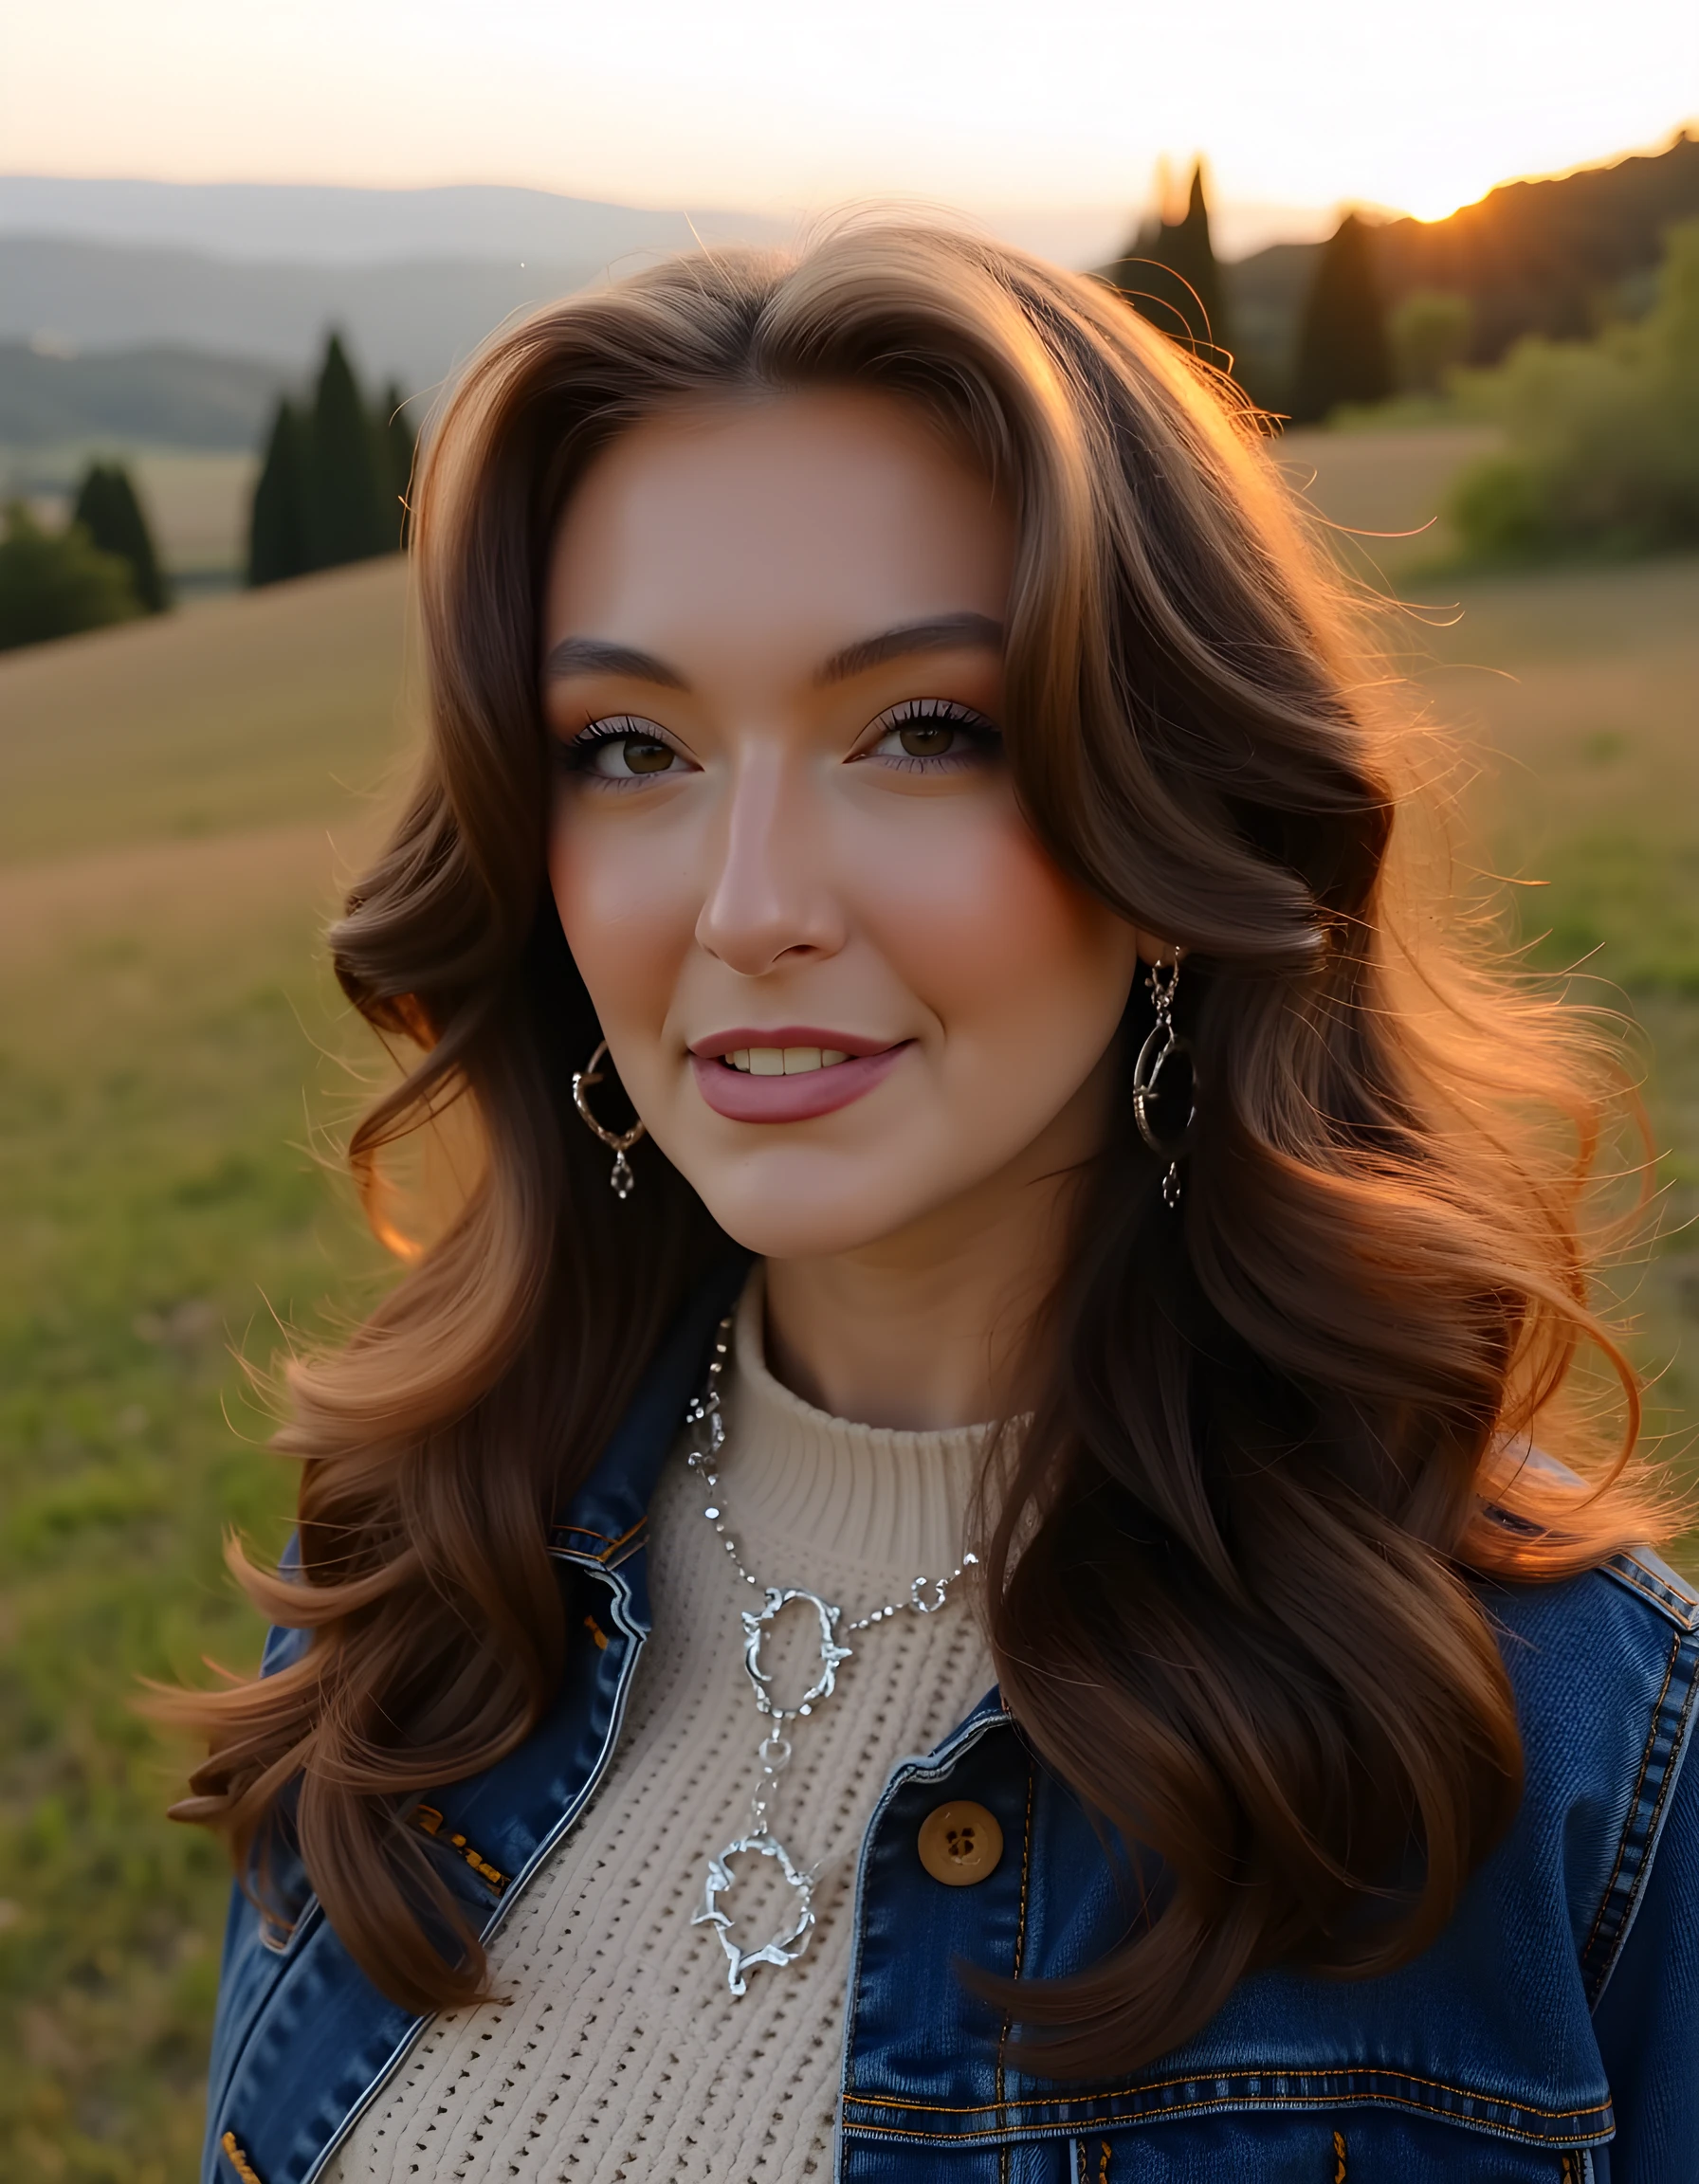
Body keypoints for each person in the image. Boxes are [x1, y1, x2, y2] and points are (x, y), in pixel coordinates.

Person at [170, 225, 1697, 2184]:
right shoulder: (407, 1597)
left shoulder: (1565, 1754)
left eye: (922, 731)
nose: (745, 907)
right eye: (627, 750)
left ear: (1171, 815)